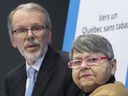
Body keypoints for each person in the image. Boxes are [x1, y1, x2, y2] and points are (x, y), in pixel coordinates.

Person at [4, 3, 84, 96]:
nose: (30, 35)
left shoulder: (71, 66)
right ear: (13, 40)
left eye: (36, 28)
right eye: (21, 30)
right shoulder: (11, 79)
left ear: (48, 34)